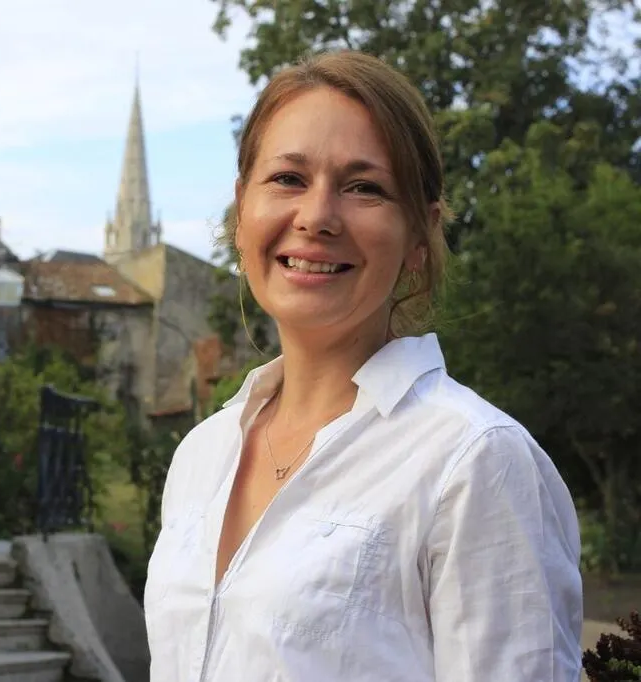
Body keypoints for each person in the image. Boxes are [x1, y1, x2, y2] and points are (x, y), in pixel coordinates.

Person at [143, 50, 583, 682]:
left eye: (364, 188)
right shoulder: (200, 455)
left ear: (419, 234)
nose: (317, 217)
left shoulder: (475, 461)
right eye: (288, 178)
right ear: (242, 211)